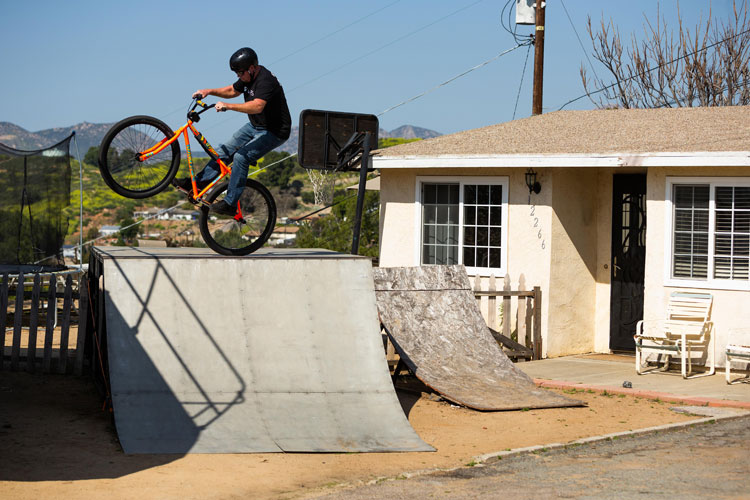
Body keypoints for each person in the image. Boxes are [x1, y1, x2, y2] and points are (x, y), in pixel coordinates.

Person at [174, 47, 291, 216]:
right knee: (223, 152)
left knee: (241, 157)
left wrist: (228, 107)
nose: (238, 76)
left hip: (275, 131)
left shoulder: (266, 80)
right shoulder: (248, 76)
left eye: (240, 73)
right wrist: (209, 91)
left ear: (251, 68)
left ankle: (230, 203)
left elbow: (257, 106)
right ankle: (198, 184)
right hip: (255, 125)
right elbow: (232, 90)